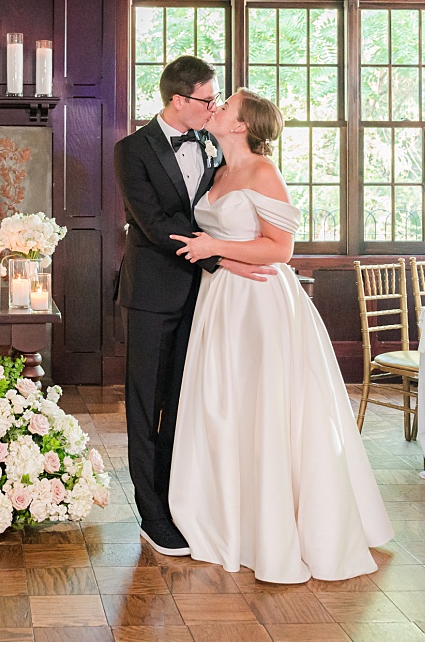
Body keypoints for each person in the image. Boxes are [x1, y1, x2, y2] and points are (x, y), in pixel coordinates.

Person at [168, 89, 393, 582]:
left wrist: (216, 247)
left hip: (260, 304)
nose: (217, 109)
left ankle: (277, 530)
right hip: (222, 300)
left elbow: (281, 248)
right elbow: (216, 243)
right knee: (224, 406)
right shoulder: (217, 170)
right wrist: (218, 255)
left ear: (241, 125)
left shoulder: (262, 172)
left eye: (225, 106)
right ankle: (229, 517)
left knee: (264, 407)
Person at [112, 56, 270, 557]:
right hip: (152, 297)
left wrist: (227, 258)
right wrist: (223, 261)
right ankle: (151, 515)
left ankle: (179, 502)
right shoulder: (131, 150)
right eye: (207, 98)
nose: (213, 106)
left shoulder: (210, 143)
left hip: (205, 300)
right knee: (144, 407)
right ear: (178, 100)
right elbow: (155, 225)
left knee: (184, 404)